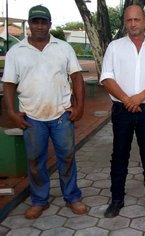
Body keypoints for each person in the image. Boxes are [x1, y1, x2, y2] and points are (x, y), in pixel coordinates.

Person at [2, 5, 87, 219]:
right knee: (35, 160)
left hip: (61, 115)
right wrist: (12, 112)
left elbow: (76, 77)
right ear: (29, 24)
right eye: (35, 21)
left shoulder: (63, 48)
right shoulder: (16, 52)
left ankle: (72, 197)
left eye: (43, 21)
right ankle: (39, 200)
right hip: (32, 116)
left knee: (67, 157)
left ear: (50, 24)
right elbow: (9, 84)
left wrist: (79, 106)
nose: (39, 25)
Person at [100, 5, 145, 219]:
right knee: (119, 155)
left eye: (137, 20)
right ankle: (117, 200)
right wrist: (126, 100)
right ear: (125, 22)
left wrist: (138, 98)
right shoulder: (115, 46)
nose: (133, 24)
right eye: (129, 20)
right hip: (122, 110)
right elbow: (107, 77)